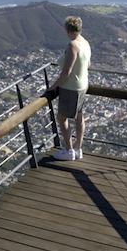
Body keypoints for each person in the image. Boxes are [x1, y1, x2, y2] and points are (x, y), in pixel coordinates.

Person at [49, 15, 91, 161]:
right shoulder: (84, 42)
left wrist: (53, 87)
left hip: (71, 87)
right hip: (83, 85)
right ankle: (78, 148)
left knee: (61, 118)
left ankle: (69, 150)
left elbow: (66, 72)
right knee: (79, 117)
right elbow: (88, 65)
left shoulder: (73, 45)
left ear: (67, 30)